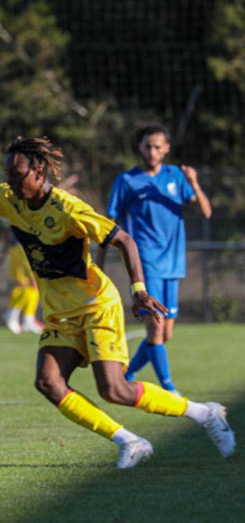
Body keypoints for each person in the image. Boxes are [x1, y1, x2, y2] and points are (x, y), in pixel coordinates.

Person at [0, 129, 234, 468]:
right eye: (7, 173)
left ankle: (203, 414)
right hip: (60, 314)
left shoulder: (68, 209)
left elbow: (124, 240)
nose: (10, 180)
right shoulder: (8, 198)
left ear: (39, 171)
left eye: (17, 174)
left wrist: (138, 291)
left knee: (114, 390)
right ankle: (130, 441)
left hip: (96, 307)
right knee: (48, 383)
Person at [97, 124, 212, 394]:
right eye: (148, 146)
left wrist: (193, 181)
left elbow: (206, 212)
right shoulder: (126, 181)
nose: (152, 151)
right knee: (156, 332)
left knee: (164, 334)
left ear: (167, 149)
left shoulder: (175, 176)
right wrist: (98, 262)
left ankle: (127, 373)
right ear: (140, 147)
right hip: (146, 264)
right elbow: (109, 224)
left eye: (158, 146)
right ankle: (169, 388)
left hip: (173, 263)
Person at [0, 232, 43, 334]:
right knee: (27, 283)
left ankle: (28, 318)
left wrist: (3, 254)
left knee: (31, 286)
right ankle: (13, 314)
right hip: (22, 249)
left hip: (24, 249)